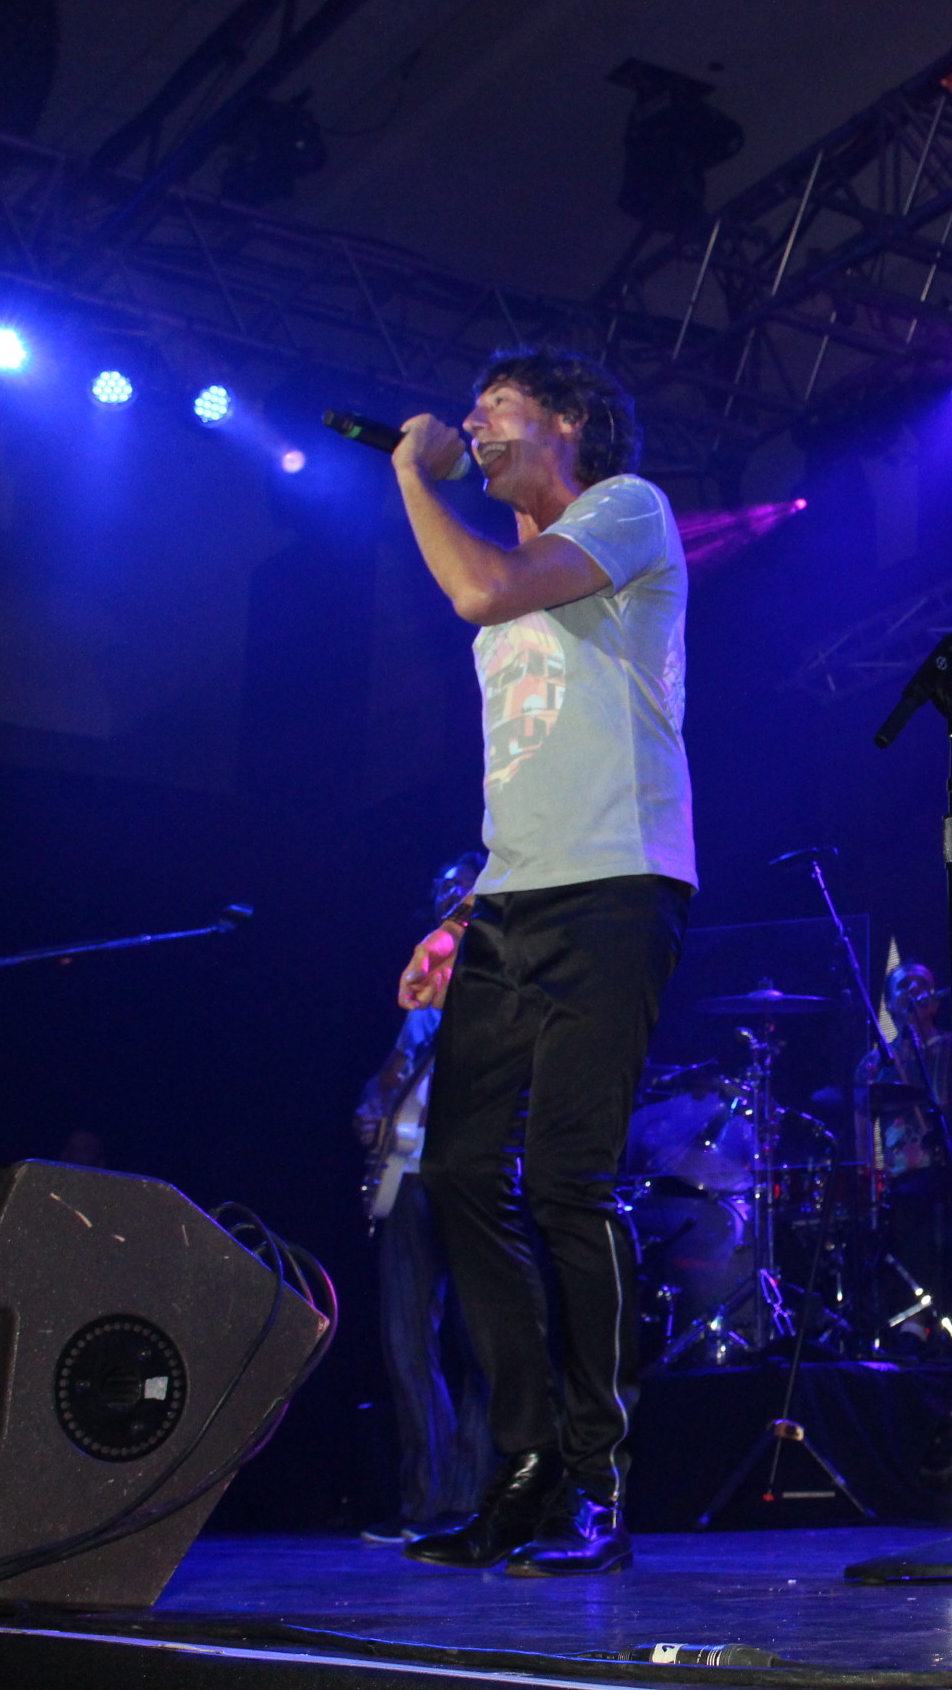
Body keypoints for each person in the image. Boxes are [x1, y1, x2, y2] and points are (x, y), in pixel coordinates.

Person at [387, 349, 696, 1575]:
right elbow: (528, 760)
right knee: (461, 1171)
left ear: (568, 421)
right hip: (513, 898)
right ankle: (521, 1468)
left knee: (570, 1180)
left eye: (496, 411)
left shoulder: (624, 508)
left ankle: (595, 1481)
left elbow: (481, 590)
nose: (473, 428)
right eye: (467, 417)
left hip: (617, 885)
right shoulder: (510, 571)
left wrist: (413, 476)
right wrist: (459, 913)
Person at [353, 852, 494, 1543]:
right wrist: (372, 1105)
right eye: (442, 892)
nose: (449, 901)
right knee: (406, 1339)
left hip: (479, 1170)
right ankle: (426, 1501)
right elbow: (394, 1074)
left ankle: (473, 1497)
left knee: (483, 1338)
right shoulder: (426, 980)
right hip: (409, 1174)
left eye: (461, 891)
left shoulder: (501, 974)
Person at [853, 960, 952, 1355]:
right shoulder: (872, 1066)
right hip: (903, 1189)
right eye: (902, 985)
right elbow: (862, 1145)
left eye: (920, 984)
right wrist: (871, 1186)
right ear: (889, 1003)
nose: (912, 991)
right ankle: (912, 1330)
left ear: (936, 1000)